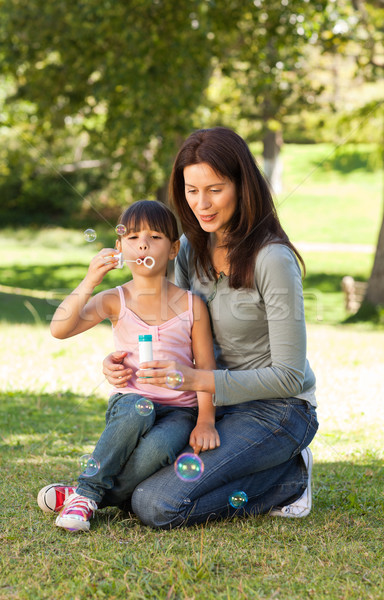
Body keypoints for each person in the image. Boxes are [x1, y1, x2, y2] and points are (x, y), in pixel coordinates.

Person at [102, 126, 318, 528]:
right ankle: (88, 490)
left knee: (155, 504)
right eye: (191, 190)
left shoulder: (273, 259)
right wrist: (120, 361)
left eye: (215, 189)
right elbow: (171, 331)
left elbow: (290, 377)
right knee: (149, 465)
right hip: (209, 408)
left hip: (277, 411)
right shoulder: (189, 249)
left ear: (242, 185)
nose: (202, 204)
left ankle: (290, 477)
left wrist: (199, 380)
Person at [37, 200, 219, 531]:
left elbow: (206, 366)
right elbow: (59, 329)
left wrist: (205, 420)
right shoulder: (114, 299)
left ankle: (84, 497)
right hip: (130, 402)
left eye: (155, 237)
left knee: (161, 446)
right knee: (139, 408)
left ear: (174, 248)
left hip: (179, 412)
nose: (143, 244)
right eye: (133, 237)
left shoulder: (193, 306)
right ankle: (89, 491)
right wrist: (90, 279)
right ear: (120, 248)